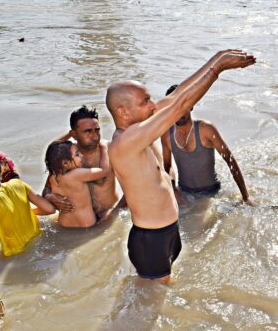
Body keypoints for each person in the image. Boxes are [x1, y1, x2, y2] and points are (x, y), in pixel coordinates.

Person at [106, 49, 255, 284]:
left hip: (168, 229)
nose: (153, 105)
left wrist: (217, 57)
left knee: (162, 294)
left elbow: (176, 98)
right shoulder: (125, 141)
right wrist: (218, 69)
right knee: (152, 303)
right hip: (151, 238)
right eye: (145, 101)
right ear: (123, 111)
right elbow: (179, 106)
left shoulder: (141, 130)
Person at [160, 84, 251, 203]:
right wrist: (174, 189)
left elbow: (230, 161)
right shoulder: (166, 135)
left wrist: (246, 198)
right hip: (185, 193)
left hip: (212, 194)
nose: (179, 111)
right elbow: (167, 167)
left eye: (184, 104)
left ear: (191, 105)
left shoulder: (206, 129)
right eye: (174, 106)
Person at [0, 150, 55, 261]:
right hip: (39, 239)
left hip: (18, 256)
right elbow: (50, 209)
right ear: (0, 170)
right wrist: (23, 213)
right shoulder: (17, 184)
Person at [43, 106, 123, 220]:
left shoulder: (110, 151)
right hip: (77, 219)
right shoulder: (68, 158)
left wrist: (115, 212)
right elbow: (49, 186)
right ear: (74, 135)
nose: (95, 136)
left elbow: (134, 188)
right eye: (88, 131)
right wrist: (49, 196)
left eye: (97, 130)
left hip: (108, 215)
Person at [44, 140, 111, 227]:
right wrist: (104, 148)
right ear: (65, 163)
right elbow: (103, 171)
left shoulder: (52, 178)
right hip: (86, 223)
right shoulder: (78, 174)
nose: (82, 156)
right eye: (77, 154)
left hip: (64, 223)